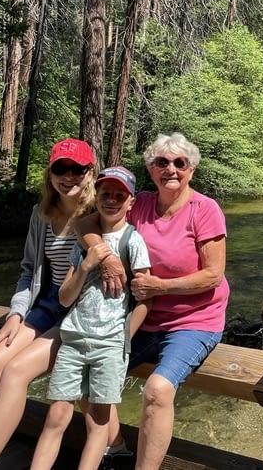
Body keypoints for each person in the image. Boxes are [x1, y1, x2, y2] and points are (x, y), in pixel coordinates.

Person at [77, 132, 229, 470]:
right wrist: (104, 257)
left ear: (192, 169)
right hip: (143, 318)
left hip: (195, 320)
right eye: (162, 162)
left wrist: (160, 286)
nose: (171, 169)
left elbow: (213, 275)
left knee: (157, 391)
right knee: (84, 380)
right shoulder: (140, 203)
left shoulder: (205, 210)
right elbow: (85, 222)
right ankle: (117, 449)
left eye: (180, 163)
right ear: (151, 168)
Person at [30, 166, 151, 470]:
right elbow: (64, 297)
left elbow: (145, 298)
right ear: (96, 196)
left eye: (119, 195)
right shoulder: (83, 242)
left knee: (98, 421)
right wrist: (86, 266)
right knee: (56, 415)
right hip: (72, 339)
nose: (112, 200)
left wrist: (124, 338)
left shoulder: (133, 242)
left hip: (110, 345)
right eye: (106, 193)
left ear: (130, 202)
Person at [0, 138, 96, 470]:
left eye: (77, 169)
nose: (68, 176)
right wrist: (16, 313)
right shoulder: (41, 214)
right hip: (46, 304)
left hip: (80, 312)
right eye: (60, 169)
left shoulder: (97, 215)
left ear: (89, 173)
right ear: (50, 174)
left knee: (16, 372)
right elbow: (28, 270)